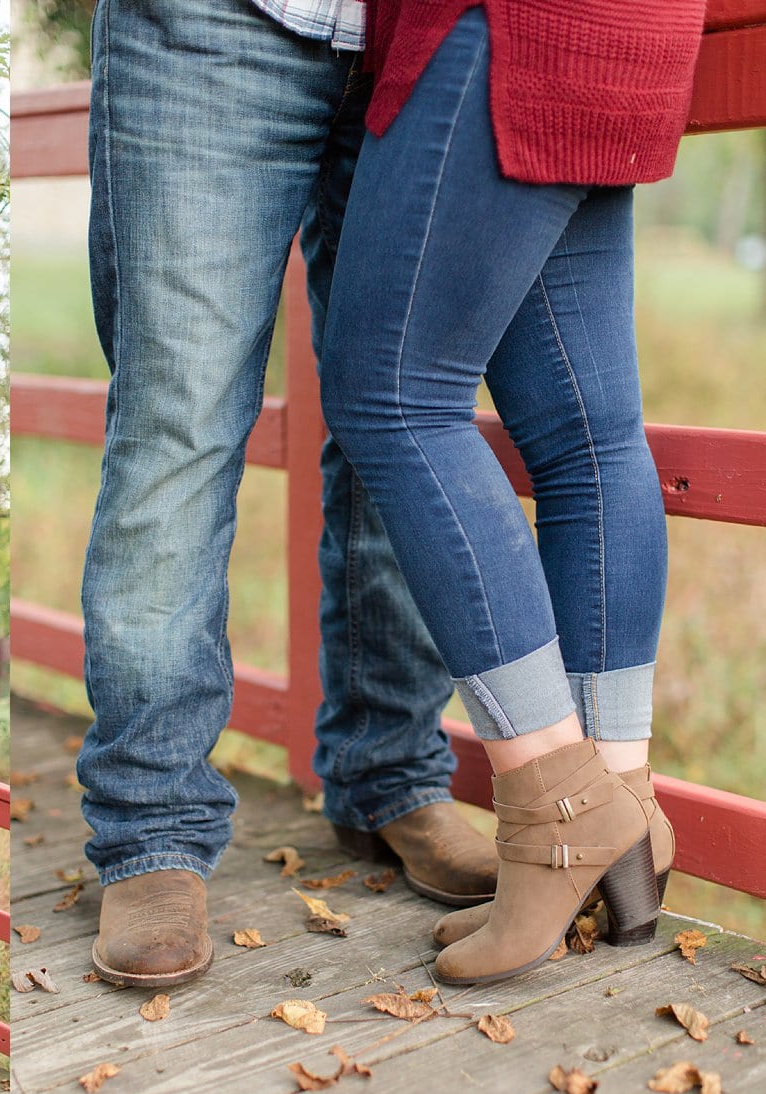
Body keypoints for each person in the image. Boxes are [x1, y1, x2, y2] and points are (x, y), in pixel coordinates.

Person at [78, 0, 499, 989]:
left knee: (403, 415)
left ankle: (389, 770)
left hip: (427, 33)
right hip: (211, 25)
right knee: (177, 422)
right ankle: (151, 826)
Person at [318, 1, 701, 983]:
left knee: (394, 399)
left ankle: (557, 817)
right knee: (587, 436)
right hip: (627, 32)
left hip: (506, 27)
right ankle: (620, 803)